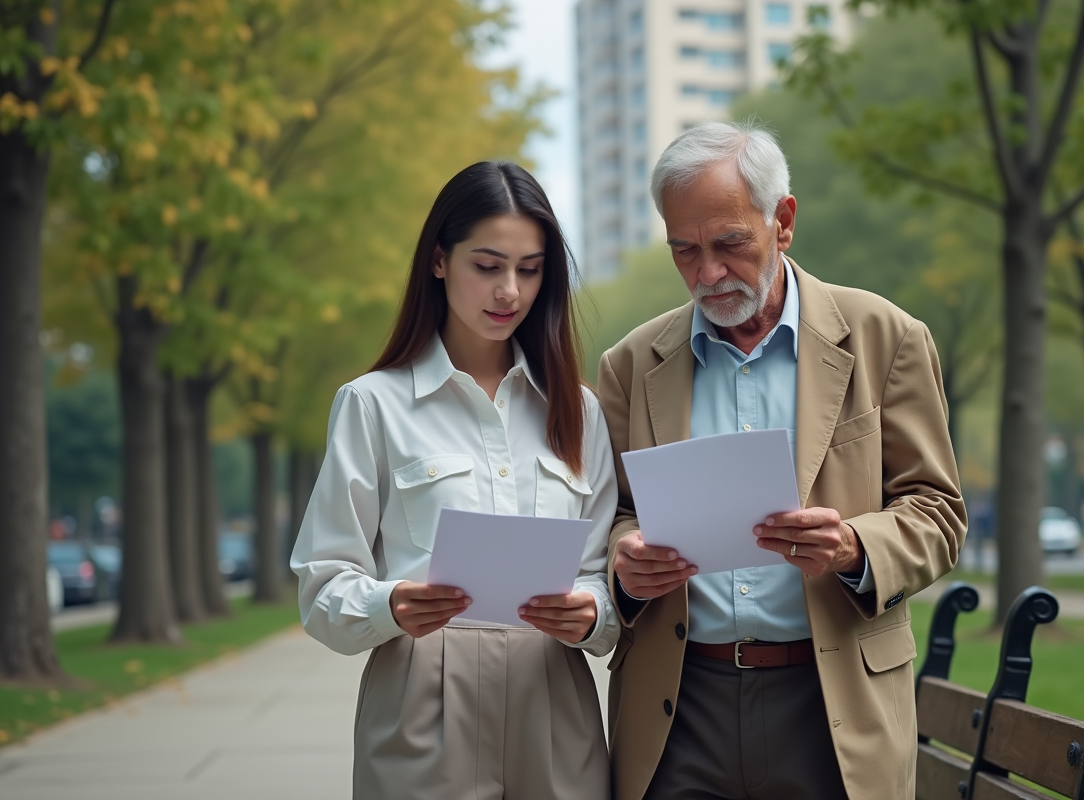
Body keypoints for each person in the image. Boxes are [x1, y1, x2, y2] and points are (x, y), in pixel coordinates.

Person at [599, 122, 967, 800]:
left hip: (834, 702)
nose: (707, 274)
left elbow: (938, 512)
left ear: (783, 220)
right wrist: (627, 555)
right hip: (680, 705)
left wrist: (855, 545)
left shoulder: (889, 338)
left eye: (730, 244)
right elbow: (617, 512)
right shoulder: (627, 367)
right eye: (685, 251)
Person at [290, 161, 618, 800]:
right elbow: (322, 586)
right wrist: (391, 604)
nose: (510, 292)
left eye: (530, 269)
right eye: (488, 266)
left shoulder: (579, 412)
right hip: (421, 703)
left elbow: (604, 581)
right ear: (439, 261)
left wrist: (591, 611)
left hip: (551, 699)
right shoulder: (371, 405)